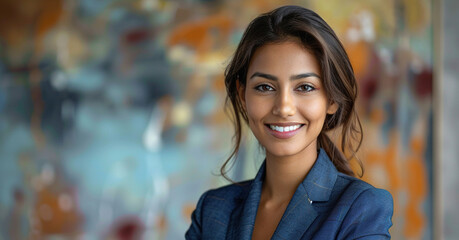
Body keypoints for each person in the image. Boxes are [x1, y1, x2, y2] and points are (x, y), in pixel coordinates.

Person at [186, 5, 393, 240]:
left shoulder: (360, 208)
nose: (284, 108)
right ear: (243, 95)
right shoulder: (213, 209)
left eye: (305, 87)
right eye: (265, 87)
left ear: (332, 99)